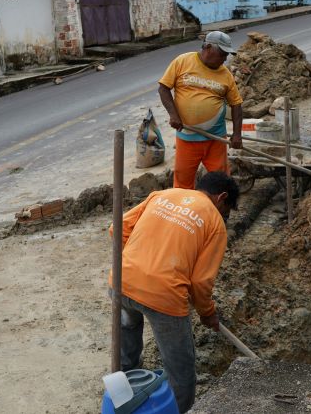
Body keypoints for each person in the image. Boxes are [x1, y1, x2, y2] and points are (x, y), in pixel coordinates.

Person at [108, 171, 239, 413]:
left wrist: (139, 260)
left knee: (125, 350)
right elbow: (200, 282)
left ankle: (122, 402)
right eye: (227, 210)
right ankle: (179, 409)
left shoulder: (162, 195)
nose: (224, 216)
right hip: (164, 296)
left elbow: (117, 228)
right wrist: (207, 313)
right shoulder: (215, 224)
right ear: (221, 198)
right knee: (181, 371)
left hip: (121, 282)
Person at [158, 30, 244, 189]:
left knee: (222, 183)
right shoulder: (183, 61)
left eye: (226, 55)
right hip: (187, 138)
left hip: (215, 139)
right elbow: (163, 88)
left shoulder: (226, 74)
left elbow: (236, 104)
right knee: (183, 184)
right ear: (208, 48)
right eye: (222, 54)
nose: (225, 59)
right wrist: (173, 115)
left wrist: (237, 134)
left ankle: (220, 206)